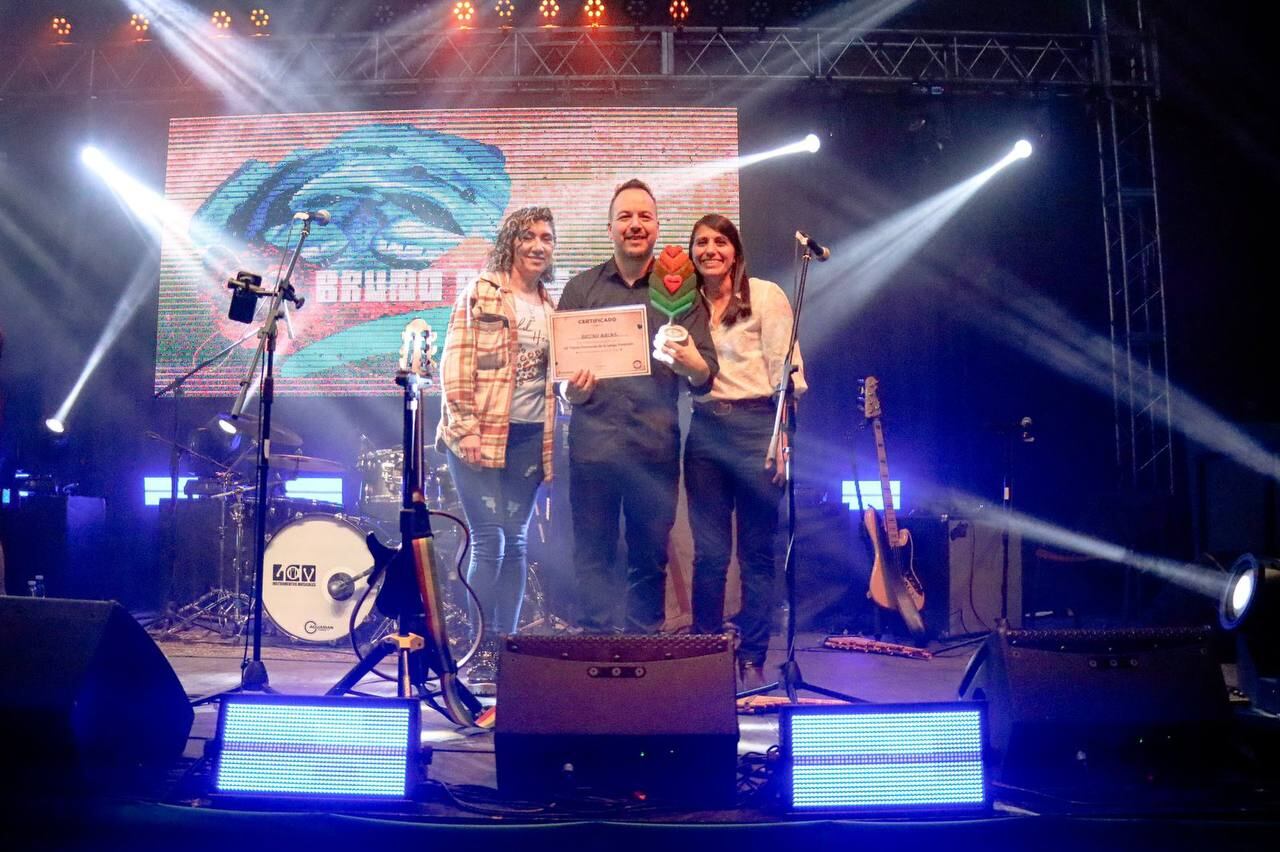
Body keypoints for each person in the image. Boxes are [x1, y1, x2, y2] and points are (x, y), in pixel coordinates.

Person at [558, 179, 719, 633]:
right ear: (609, 228)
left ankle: (643, 655)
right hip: (592, 450)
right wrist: (571, 391)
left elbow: (705, 375)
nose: (635, 225)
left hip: (654, 450)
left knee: (649, 561)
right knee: (592, 558)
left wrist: (690, 364)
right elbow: (560, 377)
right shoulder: (581, 289)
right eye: (625, 217)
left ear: (657, 227)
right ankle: (595, 650)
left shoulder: (680, 292)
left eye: (644, 216)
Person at [436, 206, 558, 694]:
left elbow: (552, 379)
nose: (538, 245)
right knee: (491, 541)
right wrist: (465, 426)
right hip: (480, 433)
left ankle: (506, 648)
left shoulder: (550, 305)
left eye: (546, 237)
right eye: (528, 236)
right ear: (511, 242)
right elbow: (454, 362)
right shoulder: (481, 292)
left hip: (530, 436)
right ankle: (482, 651)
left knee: (517, 542)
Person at [683, 214, 807, 686]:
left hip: (758, 427)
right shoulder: (687, 306)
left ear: (735, 250)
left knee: (756, 553)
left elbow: (786, 371)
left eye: (720, 241)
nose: (710, 250)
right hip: (705, 430)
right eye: (701, 243)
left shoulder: (765, 295)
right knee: (709, 555)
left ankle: (753, 655)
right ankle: (706, 656)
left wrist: (783, 437)